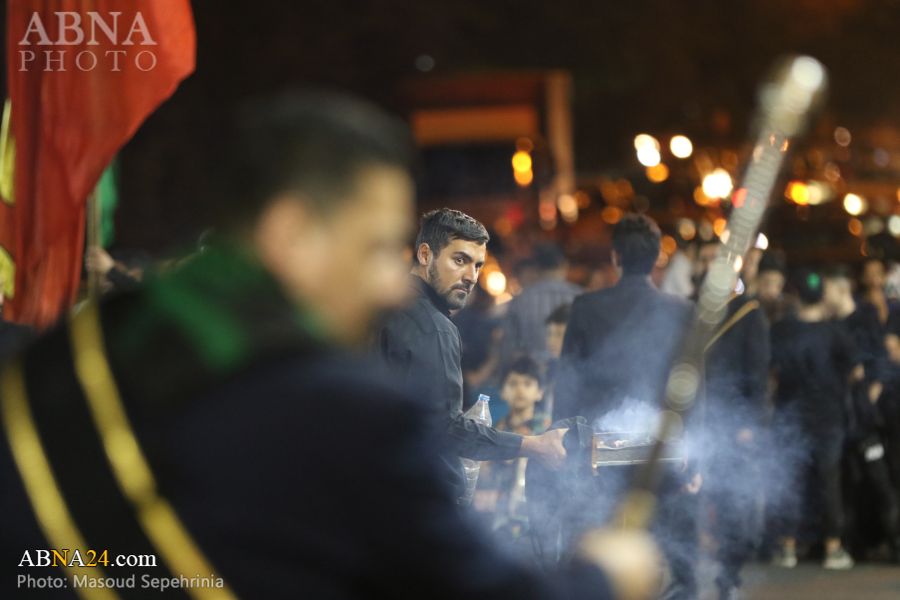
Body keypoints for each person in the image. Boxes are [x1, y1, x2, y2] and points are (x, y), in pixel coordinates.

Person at [0, 91, 659, 600]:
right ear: (291, 234)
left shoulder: (69, 352)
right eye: (373, 248)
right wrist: (604, 576)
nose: (391, 285)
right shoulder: (348, 413)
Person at [376, 209, 569, 500]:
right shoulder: (434, 328)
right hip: (413, 497)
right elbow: (445, 428)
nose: (471, 276)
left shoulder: (382, 306)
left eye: (477, 265)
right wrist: (534, 445)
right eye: (459, 260)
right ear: (425, 254)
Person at [554, 214, 699, 600]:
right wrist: (694, 457)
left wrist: (564, 443)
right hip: (661, 454)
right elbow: (692, 388)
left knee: (605, 553)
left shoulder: (586, 307)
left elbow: (568, 383)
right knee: (662, 551)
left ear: (615, 256)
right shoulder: (682, 310)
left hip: (601, 452)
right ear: (657, 259)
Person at [770, 269, 860, 570]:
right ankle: (833, 548)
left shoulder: (781, 329)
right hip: (827, 415)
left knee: (791, 481)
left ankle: (787, 546)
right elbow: (856, 370)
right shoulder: (836, 332)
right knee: (828, 481)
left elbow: (771, 370)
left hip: (790, 415)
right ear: (823, 296)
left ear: (796, 295)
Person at [702, 284, 770, 599]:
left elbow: (757, 369)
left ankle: (728, 574)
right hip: (700, 418)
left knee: (731, 499)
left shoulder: (748, 312)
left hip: (732, 421)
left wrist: (749, 421)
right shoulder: (695, 307)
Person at [475, 356, 552, 547]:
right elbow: (483, 474)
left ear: (540, 392)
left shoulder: (548, 433)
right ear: (502, 391)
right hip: (498, 522)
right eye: (513, 383)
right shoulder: (494, 431)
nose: (519, 389)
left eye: (527, 383)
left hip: (536, 521)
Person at [500, 243, 582, 365]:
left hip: (532, 372)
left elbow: (509, 347)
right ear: (564, 265)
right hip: (571, 371)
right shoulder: (581, 296)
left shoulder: (520, 301)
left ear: (536, 268)